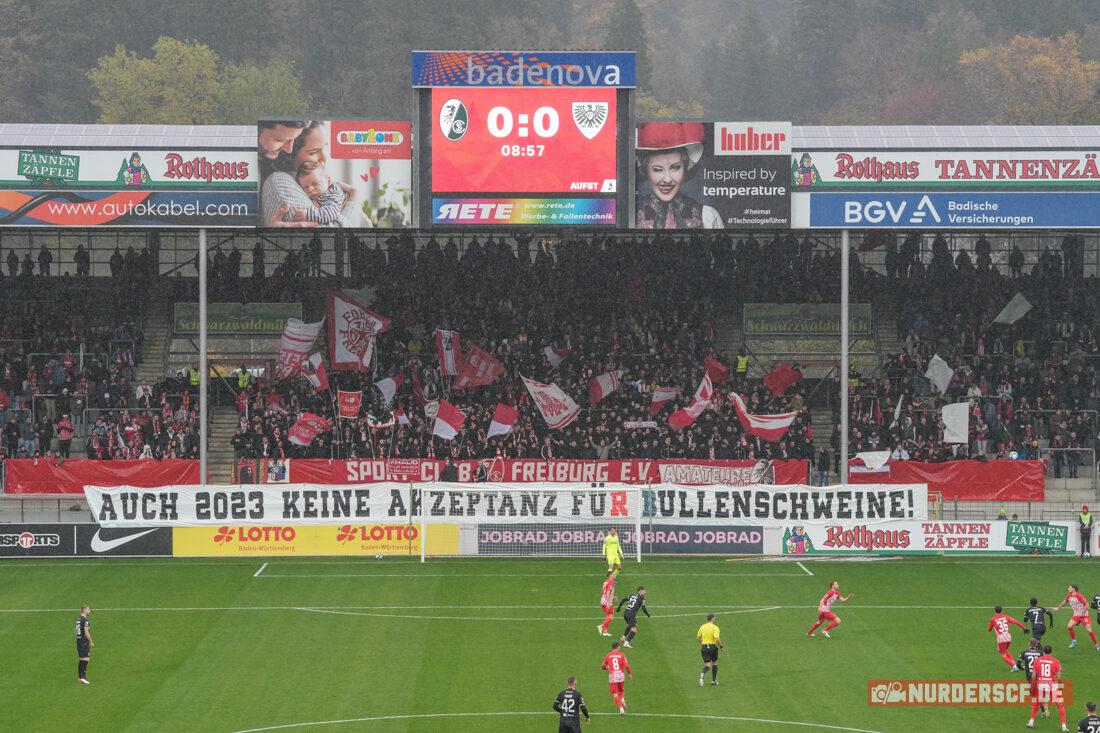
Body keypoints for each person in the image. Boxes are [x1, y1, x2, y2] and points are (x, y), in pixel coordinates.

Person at [635, 122, 722, 230]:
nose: (667, 179)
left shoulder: (707, 216)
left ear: (685, 168)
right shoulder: (631, 214)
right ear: (646, 170)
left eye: (675, 167)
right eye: (657, 169)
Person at [292, 162, 357, 226]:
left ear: (328, 182)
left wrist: (309, 215)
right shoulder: (319, 194)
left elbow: (332, 213)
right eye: (305, 187)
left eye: (315, 184)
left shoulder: (332, 193)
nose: (310, 189)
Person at [1026, 644, 1067, 730]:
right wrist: (1059, 687)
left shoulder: (1037, 661)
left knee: (1036, 703)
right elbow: (1059, 677)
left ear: (1043, 651)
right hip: (1051, 685)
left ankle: (1031, 721)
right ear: (1051, 652)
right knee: (1060, 705)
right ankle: (1063, 726)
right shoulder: (1056, 662)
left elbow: (1033, 676)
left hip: (1041, 685)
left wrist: (1033, 686)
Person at [1053, 584, 1100, 649]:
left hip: (1084, 616)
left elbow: (1087, 605)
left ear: (1074, 589)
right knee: (1069, 626)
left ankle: (1097, 645)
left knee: (1089, 630)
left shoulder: (1079, 596)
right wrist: (1058, 608)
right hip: (1076, 615)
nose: (1068, 589)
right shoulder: (1069, 596)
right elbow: (1065, 601)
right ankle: (1074, 641)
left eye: (1069, 587)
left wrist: (1081, 613)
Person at [1016, 638, 1046, 719]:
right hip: (1039, 676)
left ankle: (1042, 711)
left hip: (1030, 676)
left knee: (1035, 695)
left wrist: (1022, 668)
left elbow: (1018, 664)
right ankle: (1043, 709)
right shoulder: (1040, 653)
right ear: (1036, 645)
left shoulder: (1024, 653)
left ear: (1029, 644)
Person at [601, 640, 631, 715]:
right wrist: (629, 674)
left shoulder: (608, 655)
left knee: (615, 694)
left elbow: (603, 666)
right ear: (618, 647)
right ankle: (623, 699)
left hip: (613, 676)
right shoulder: (622, 655)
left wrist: (607, 668)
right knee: (621, 689)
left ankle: (621, 710)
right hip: (621, 675)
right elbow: (627, 666)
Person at [697, 612, 723, 686]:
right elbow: (717, 639)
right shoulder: (715, 627)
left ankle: (703, 674)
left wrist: (704, 642)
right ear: (713, 618)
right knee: (714, 663)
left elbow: (698, 638)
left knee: (708, 665)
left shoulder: (702, 627)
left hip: (704, 647)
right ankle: (713, 681)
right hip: (712, 647)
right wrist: (721, 646)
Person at [76, 605, 93, 683]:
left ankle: (80, 677)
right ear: (85, 611)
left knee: (82, 658)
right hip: (83, 641)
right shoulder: (85, 621)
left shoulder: (78, 620)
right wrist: (91, 641)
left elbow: (76, 631)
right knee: (86, 658)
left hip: (79, 640)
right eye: (89, 609)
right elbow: (86, 633)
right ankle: (83, 677)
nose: (90, 611)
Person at [598, 570, 616, 637]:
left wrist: (613, 598)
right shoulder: (611, 582)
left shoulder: (606, 582)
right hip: (607, 601)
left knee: (608, 616)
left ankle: (605, 632)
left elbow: (605, 592)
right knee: (611, 617)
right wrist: (608, 602)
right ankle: (601, 626)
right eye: (613, 574)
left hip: (603, 600)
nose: (615, 575)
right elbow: (608, 592)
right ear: (610, 575)